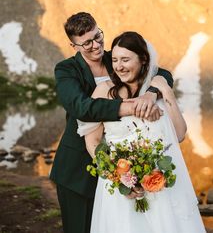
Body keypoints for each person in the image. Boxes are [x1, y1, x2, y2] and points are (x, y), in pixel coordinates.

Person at [49, 12, 173, 233]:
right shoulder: (66, 70)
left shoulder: (115, 58)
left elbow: (161, 72)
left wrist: (152, 93)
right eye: (86, 43)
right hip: (78, 167)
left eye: (98, 36)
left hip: (122, 163)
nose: (96, 45)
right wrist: (127, 106)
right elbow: (81, 107)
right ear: (74, 45)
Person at [78, 31, 206, 233]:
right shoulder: (104, 91)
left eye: (126, 59)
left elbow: (179, 133)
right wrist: (117, 177)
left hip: (159, 186)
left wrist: (165, 90)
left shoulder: (156, 89)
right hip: (119, 189)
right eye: (115, 60)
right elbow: (92, 142)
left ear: (143, 59)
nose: (119, 66)